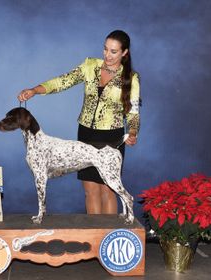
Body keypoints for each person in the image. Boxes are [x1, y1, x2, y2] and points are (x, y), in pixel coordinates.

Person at [18, 30, 140, 215]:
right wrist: (35, 90)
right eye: (105, 49)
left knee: (108, 189)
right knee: (90, 190)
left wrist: (132, 132)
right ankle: (95, 236)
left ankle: (107, 237)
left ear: (124, 52)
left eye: (113, 51)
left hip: (111, 135)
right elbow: (63, 81)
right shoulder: (90, 65)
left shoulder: (131, 78)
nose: (107, 55)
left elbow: (133, 110)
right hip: (85, 134)